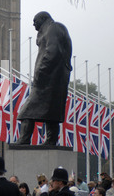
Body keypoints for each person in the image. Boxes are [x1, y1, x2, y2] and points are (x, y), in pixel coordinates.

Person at [14, 11, 72, 146]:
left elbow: (53, 51)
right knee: (52, 113)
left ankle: (24, 140)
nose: (34, 24)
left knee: (26, 112)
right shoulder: (55, 29)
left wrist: (41, 71)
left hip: (48, 80)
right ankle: (51, 140)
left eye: (35, 21)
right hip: (55, 79)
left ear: (43, 19)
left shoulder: (53, 28)